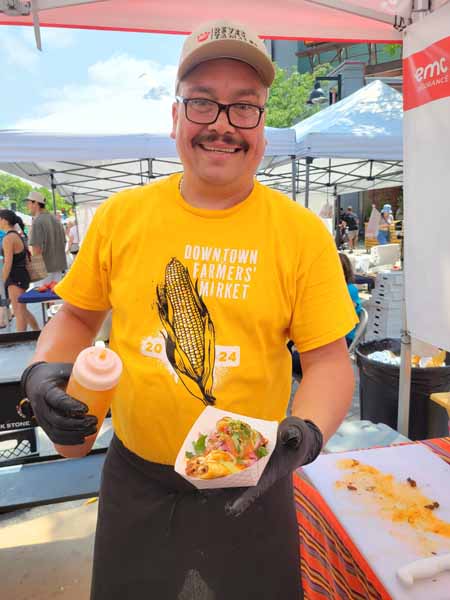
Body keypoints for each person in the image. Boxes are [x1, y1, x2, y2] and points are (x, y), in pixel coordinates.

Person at [20, 20, 357, 600]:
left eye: (244, 107)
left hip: (253, 479)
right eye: (203, 103)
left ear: (263, 129)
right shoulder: (122, 217)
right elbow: (77, 317)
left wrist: (304, 435)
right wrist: (42, 374)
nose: (222, 125)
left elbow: (328, 361)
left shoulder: (300, 232)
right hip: (137, 480)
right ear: (175, 118)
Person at [0, 209, 40, 332]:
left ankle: (20, 337)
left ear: (4, 220)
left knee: (19, 311)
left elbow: (8, 263)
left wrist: (2, 281)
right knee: (22, 309)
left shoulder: (9, 238)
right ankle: (37, 331)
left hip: (15, 277)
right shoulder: (16, 234)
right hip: (20, 276)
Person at [26, 190, 67, 283]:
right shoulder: (56, 219)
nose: (27, 206)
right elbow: (64, 242)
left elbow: (36, 248)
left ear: (35, 203)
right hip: (58, 267)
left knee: (42, 296)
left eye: (28, 203)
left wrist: (36, 271)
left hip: (44, 270)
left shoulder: (38, 221)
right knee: (55, 296)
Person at [339, 252, 362, 346]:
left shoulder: (350, 289)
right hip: (336, 336)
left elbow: (341, 316)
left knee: (295, 358)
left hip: (344, 337)